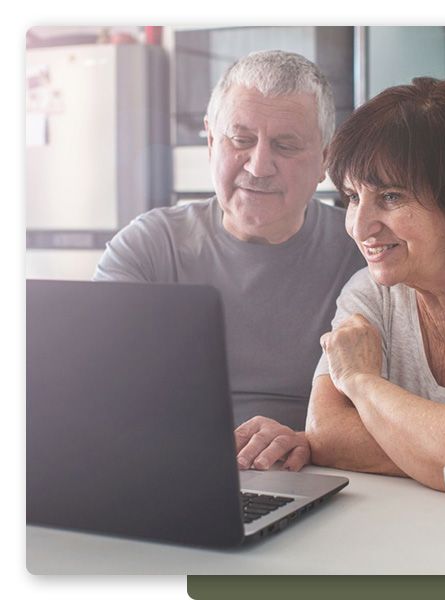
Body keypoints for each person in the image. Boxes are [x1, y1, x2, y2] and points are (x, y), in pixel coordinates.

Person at [244, 77, 445, 490]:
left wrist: (363, 383)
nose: (360, 226)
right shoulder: (370, 291)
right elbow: (326, 431)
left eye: (391, 197)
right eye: (352, 197)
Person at [93, 50, 365, 467]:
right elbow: (92, 390)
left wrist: (310, 441)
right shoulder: (148, 248)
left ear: (325, 160)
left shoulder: (364, 251)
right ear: (210, 141)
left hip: (315, 474)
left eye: (286, 145)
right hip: (169, 469)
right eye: (240, 140)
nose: (258, 166)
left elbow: (398, 405)